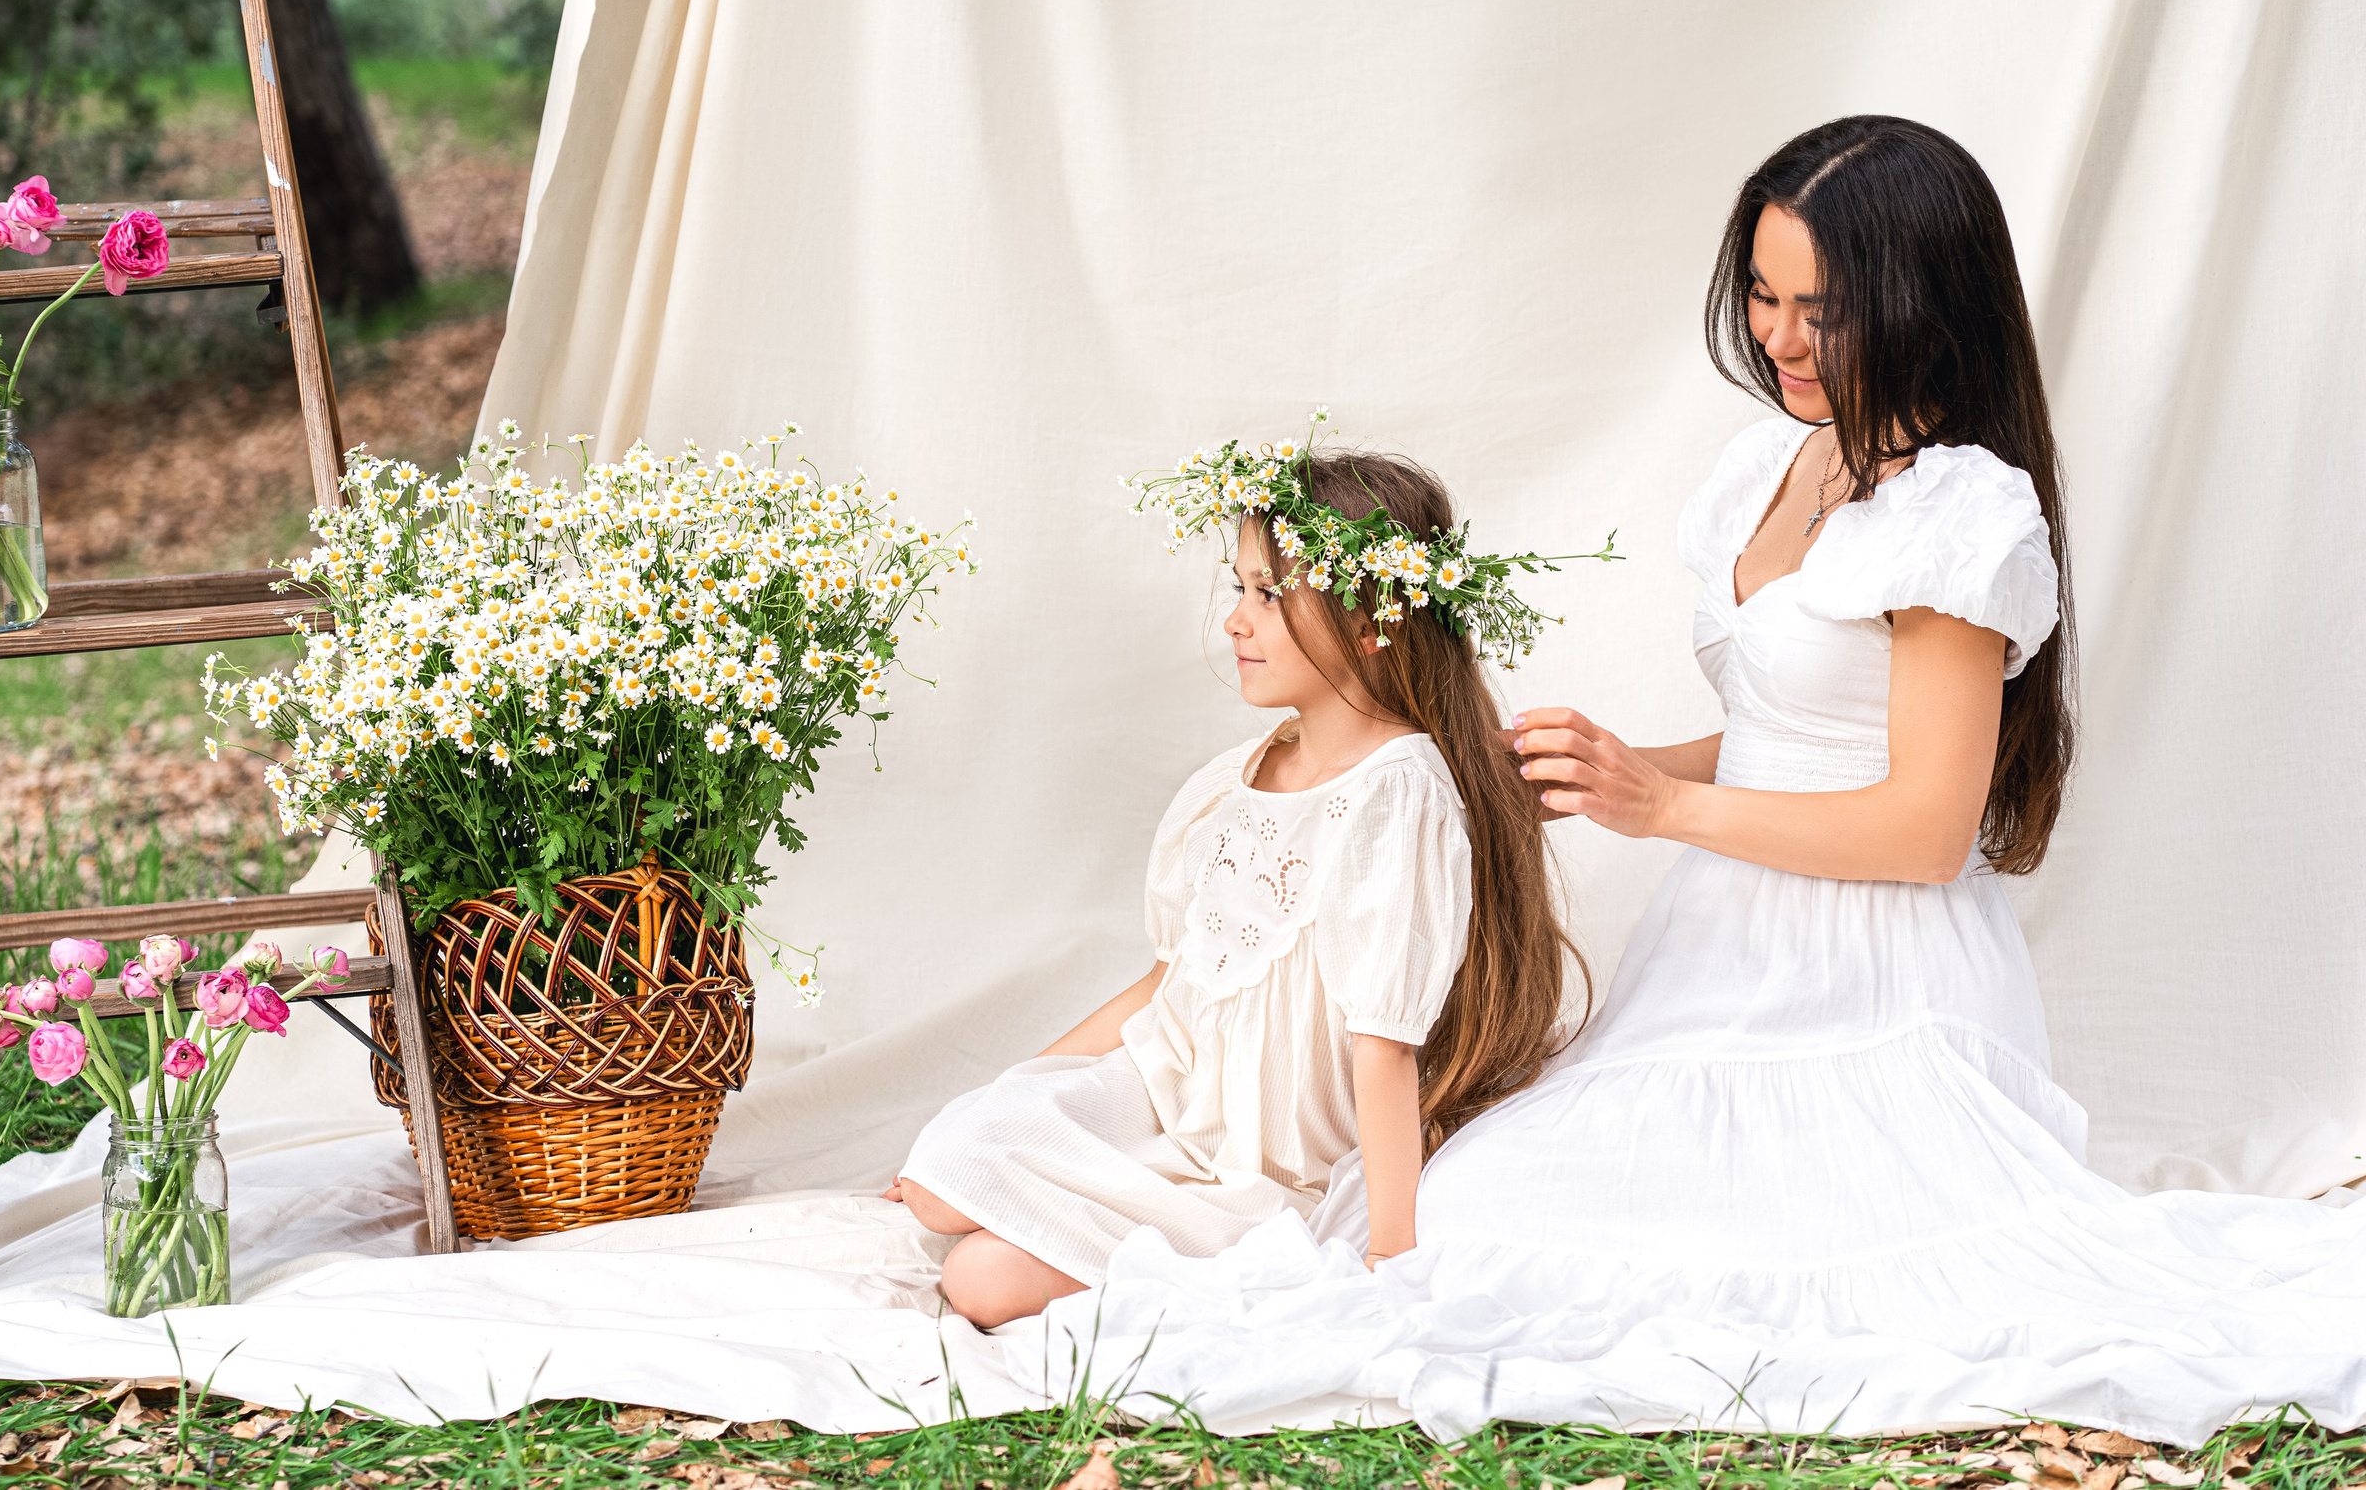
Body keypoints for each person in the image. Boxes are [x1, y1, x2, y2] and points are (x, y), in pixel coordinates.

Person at [1031, 116, 2366, 1441]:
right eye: (1766, 297)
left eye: (1822, 309)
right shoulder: (1770, 464)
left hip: (1875, 985)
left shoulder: (1960, 514)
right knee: (1483, 1209)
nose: (1781, 338)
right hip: (1720, 951)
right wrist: (1603, 767)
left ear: (1920, 302)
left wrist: (1661, 806)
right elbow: (1793, 730)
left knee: (1718, 1275)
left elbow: (1921, 822)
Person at [887, 435, 1587, 1328]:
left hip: (1268, 1167)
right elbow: (1167, 980)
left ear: (1372, 622)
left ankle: (1136, 1237)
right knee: (945, 1178)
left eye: (1269, 593)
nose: (1236, 620)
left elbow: (1384, 1043)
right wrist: (1019, 1087)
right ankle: (1038, 1184)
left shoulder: (1396, 792)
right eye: (1240, 588)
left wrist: (1390, 1251)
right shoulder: (1238, 777)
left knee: (979, 1280)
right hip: (1173, 1096)